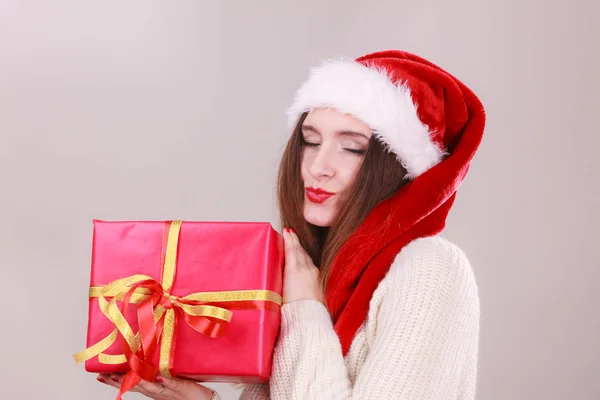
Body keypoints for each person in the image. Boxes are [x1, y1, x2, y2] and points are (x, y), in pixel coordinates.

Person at [97, 49, 486, 399]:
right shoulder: (314, 270)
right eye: (310, 140)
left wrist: (303, 309)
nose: (317, 168)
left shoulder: (430, 268)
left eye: (352, 148)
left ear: (398, 170)